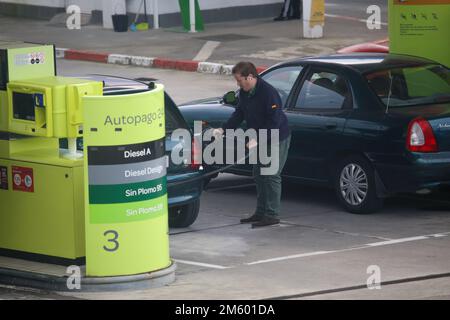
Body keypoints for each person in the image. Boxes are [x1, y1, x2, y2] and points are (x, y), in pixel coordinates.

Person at [213, 62, 291, 228]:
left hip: (276, 137)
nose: (237, 84)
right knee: (258, 173)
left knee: (271, 174)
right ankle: (261, 212)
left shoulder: (268, 93)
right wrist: (224, 129)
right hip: (258, 137)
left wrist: (259, 139)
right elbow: (239, 114)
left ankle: (272, 214)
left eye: (239, 80)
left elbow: (274, 121)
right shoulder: (244, 93)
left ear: (249, 77)